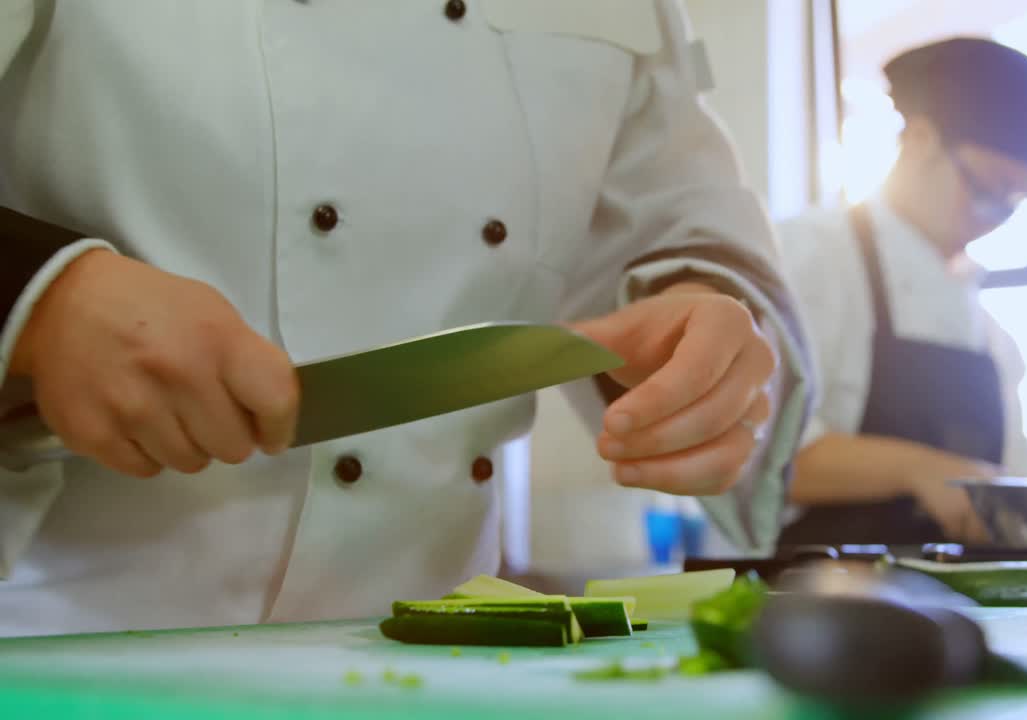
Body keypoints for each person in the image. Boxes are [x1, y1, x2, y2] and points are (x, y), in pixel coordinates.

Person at [0, 0, 813, 636]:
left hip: (439, 647)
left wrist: (701, 331)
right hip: (69, 641)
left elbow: (683, 221)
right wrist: (42, 299)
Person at [776, 37, 1027, 547]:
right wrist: (922, 471)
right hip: (820, 607)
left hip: (962, 612)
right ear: (921, 140)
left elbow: (1012, 488)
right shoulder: (814, 254)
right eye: (984, 189)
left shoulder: (989, 331)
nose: (992, 218)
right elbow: (764, 459)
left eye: (1013, 203)